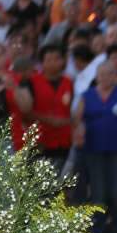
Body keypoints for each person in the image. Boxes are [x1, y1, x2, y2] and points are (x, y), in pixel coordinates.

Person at [74, 61, 117, 233]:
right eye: (101, 74)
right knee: (98, 192)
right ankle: (98, 230)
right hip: (93, 151)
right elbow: (77, 119)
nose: (105, 77)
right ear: (97, 76)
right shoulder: (87, 95)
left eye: (109, 73)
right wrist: (79, 130)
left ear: (115, 76)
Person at [18, 44, 73, 172]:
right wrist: (49, 120)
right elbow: (25, 112)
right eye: (49, 60)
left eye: (57, 59)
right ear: (42, 63)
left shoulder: (69, 82)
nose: (53, 63)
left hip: (64, 142)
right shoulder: (31, 82)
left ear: (62, 61)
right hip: (40, 142)